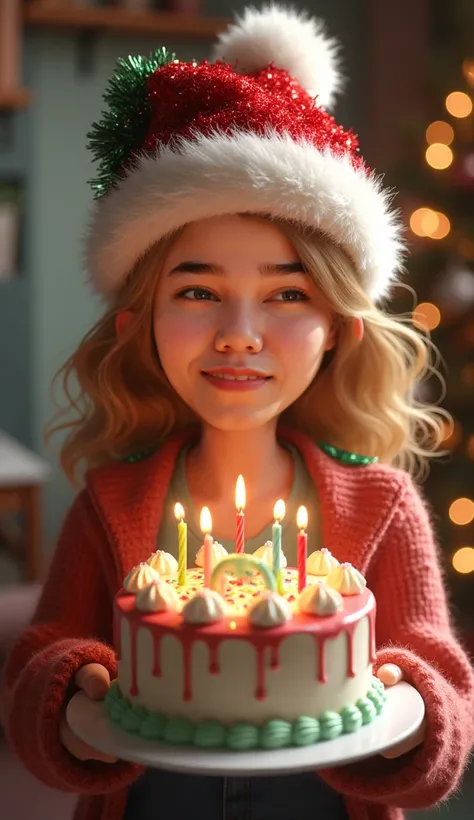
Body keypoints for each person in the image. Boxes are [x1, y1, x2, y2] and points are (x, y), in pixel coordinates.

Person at [1, 6, 473, 820]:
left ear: (337, 330)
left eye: (288, 293)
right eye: (197, 291)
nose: (240, 335)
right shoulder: (111, 504)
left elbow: (442, 689)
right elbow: (38, 668)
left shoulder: (384, 507)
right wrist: (73, 684)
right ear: (139, 322)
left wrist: (416, 710)